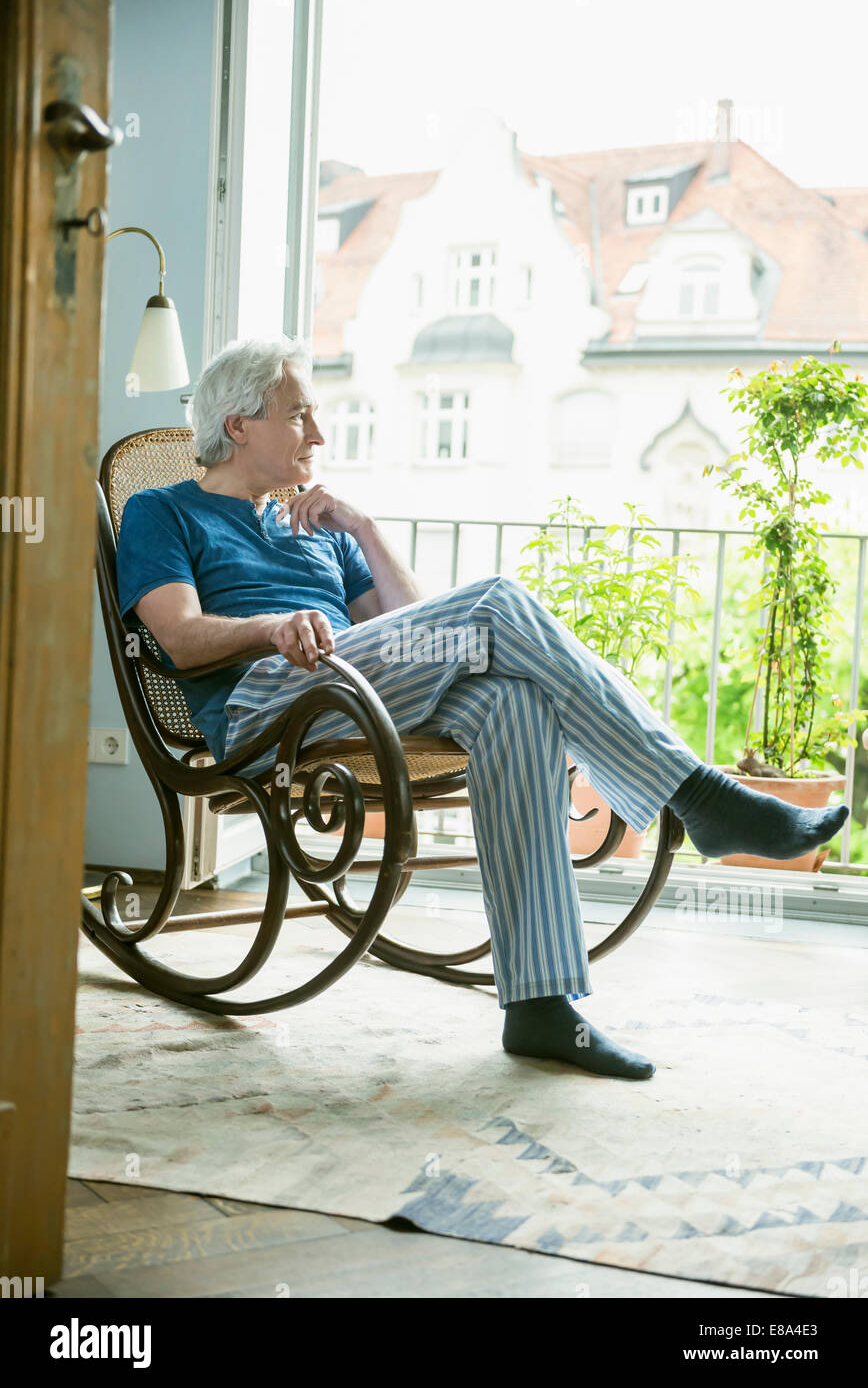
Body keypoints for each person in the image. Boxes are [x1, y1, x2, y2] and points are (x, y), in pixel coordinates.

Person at [116, 336, 849, 1081]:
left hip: (355, 688)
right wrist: (271, 629)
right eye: (299, 415)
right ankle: (697, 795)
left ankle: (539, 1003)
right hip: (267, 707)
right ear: (238, 426)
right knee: (497, 602)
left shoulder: (316, 528)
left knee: (512, 701)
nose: (320, 433)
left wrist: (362, 530)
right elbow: (176, 638)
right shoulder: (163, 512)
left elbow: (426, 627)